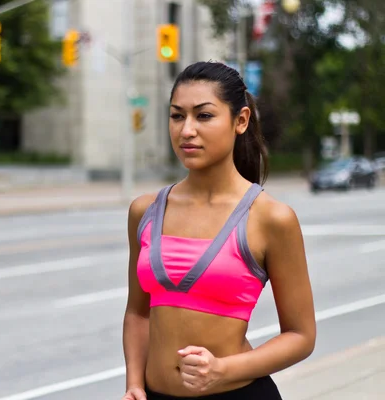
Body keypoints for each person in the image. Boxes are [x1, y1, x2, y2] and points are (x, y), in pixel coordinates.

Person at [121, 61, 316, 400]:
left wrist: (222, 370)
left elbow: (301, 336)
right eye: (177, 115)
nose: (186, 130)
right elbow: (138, 313)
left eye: (204, 116)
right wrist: (135, 385)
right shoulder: (145, 211)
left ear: (240, 121)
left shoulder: (271, 218)